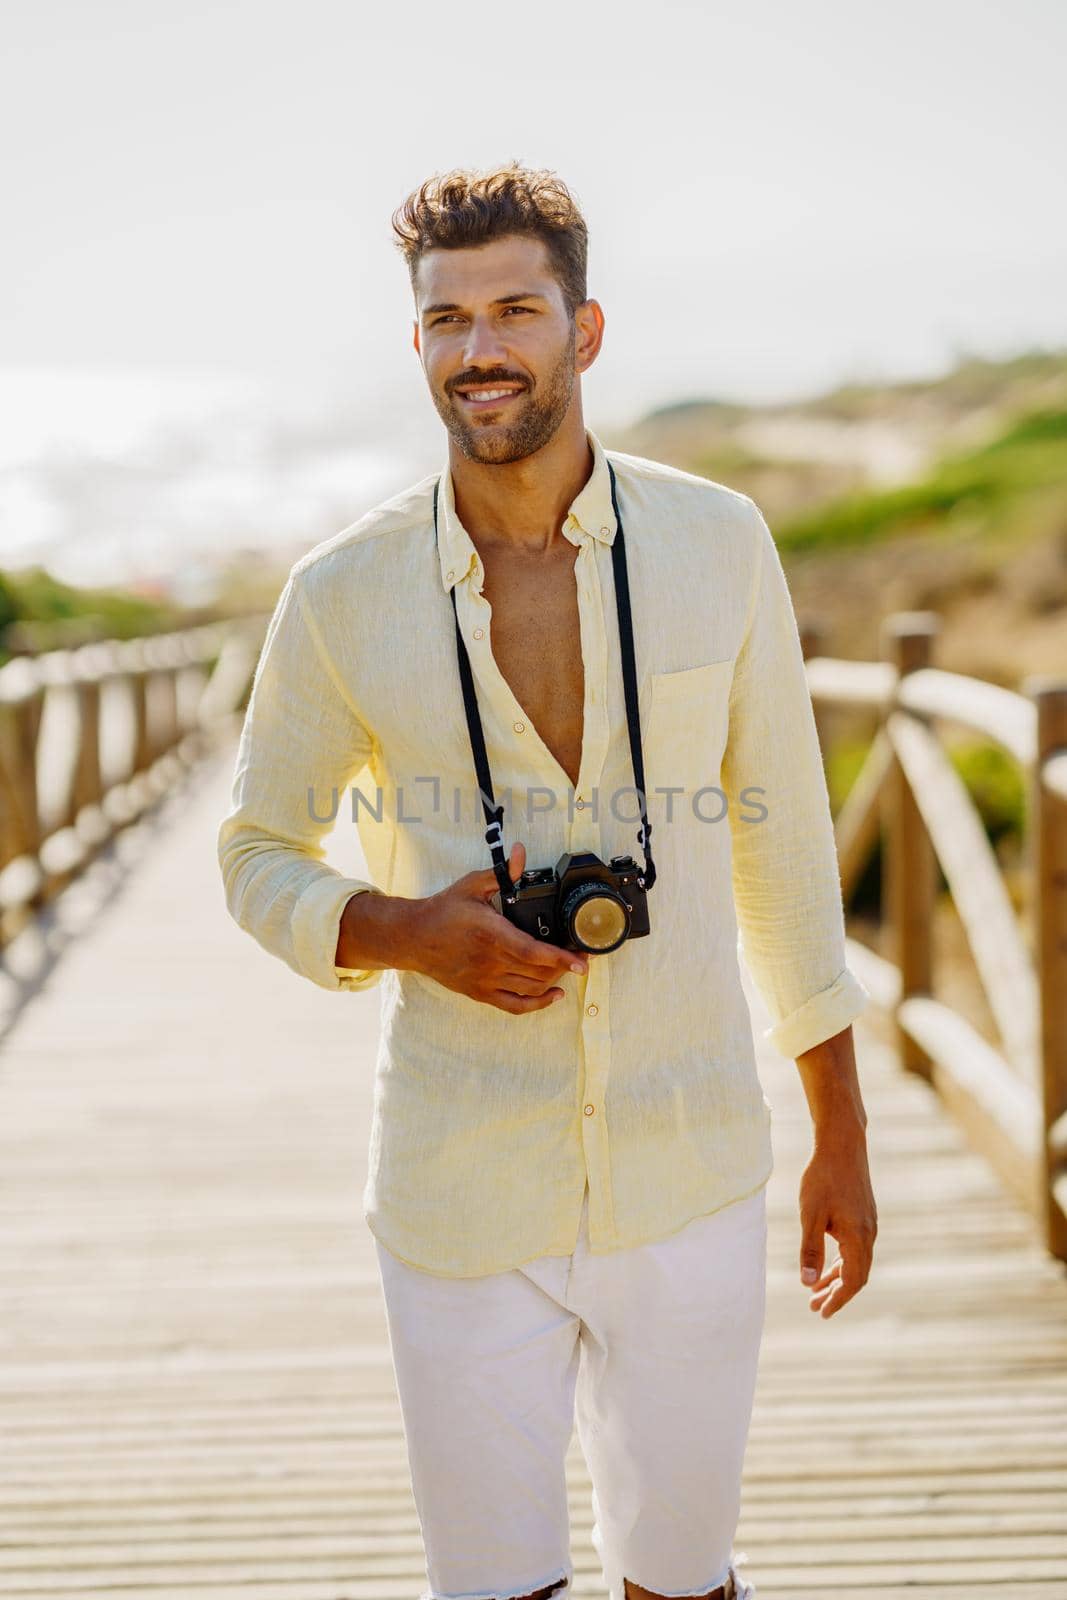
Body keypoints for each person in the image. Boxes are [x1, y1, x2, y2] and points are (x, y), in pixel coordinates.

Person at [217, 161, 878, 1600]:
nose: (481, 349)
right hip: (460, 1184)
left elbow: (784, 844)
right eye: (447, 320)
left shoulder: (721, 545)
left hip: (694, 1155)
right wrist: (399, 931)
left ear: (584, 331)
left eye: (516, 308)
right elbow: (253, 849)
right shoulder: (339, 593)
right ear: (416, 346)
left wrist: (840, 1127)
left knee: (684, 1583)